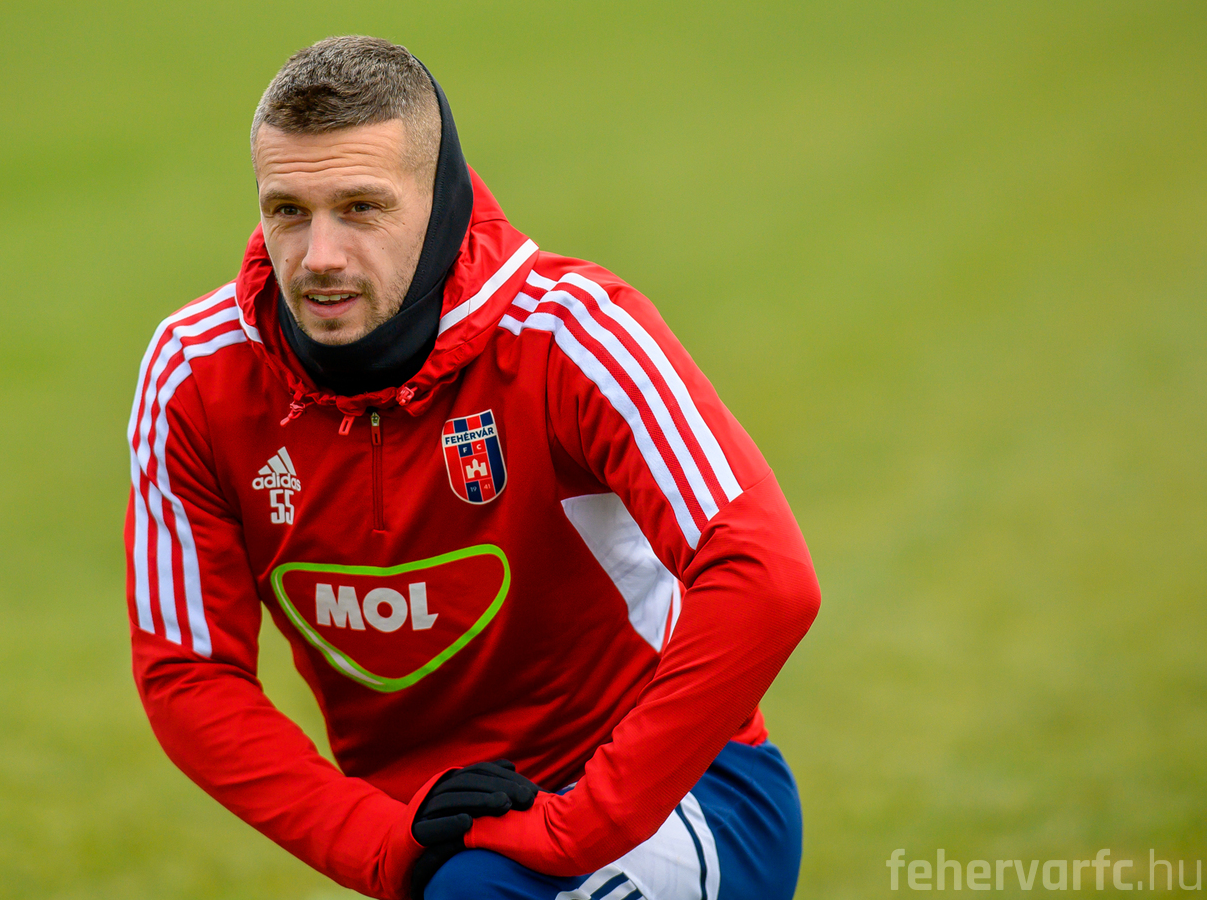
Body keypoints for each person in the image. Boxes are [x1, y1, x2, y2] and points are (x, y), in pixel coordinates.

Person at [125, 35, 820, 900]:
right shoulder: (195, 374)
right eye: (289, 211)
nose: (319, 255)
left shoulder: (570, 332)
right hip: (438, 839)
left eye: (362, 208)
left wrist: (577, 825)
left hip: (675, 797)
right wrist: (382, 842)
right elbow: (191, 674)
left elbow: (762, 575)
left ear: (441, 200)